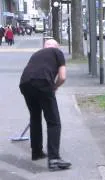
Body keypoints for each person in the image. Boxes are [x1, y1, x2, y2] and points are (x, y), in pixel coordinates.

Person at [19, 39, 71, 171]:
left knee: (35, 117)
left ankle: (36, 152)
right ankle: (54, 159)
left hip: (25, 84)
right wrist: (54, 87)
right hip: (43, 82)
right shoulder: (57, 53)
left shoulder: (36, 54)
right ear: (56, 47)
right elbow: (63, 77)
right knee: (54, 121)